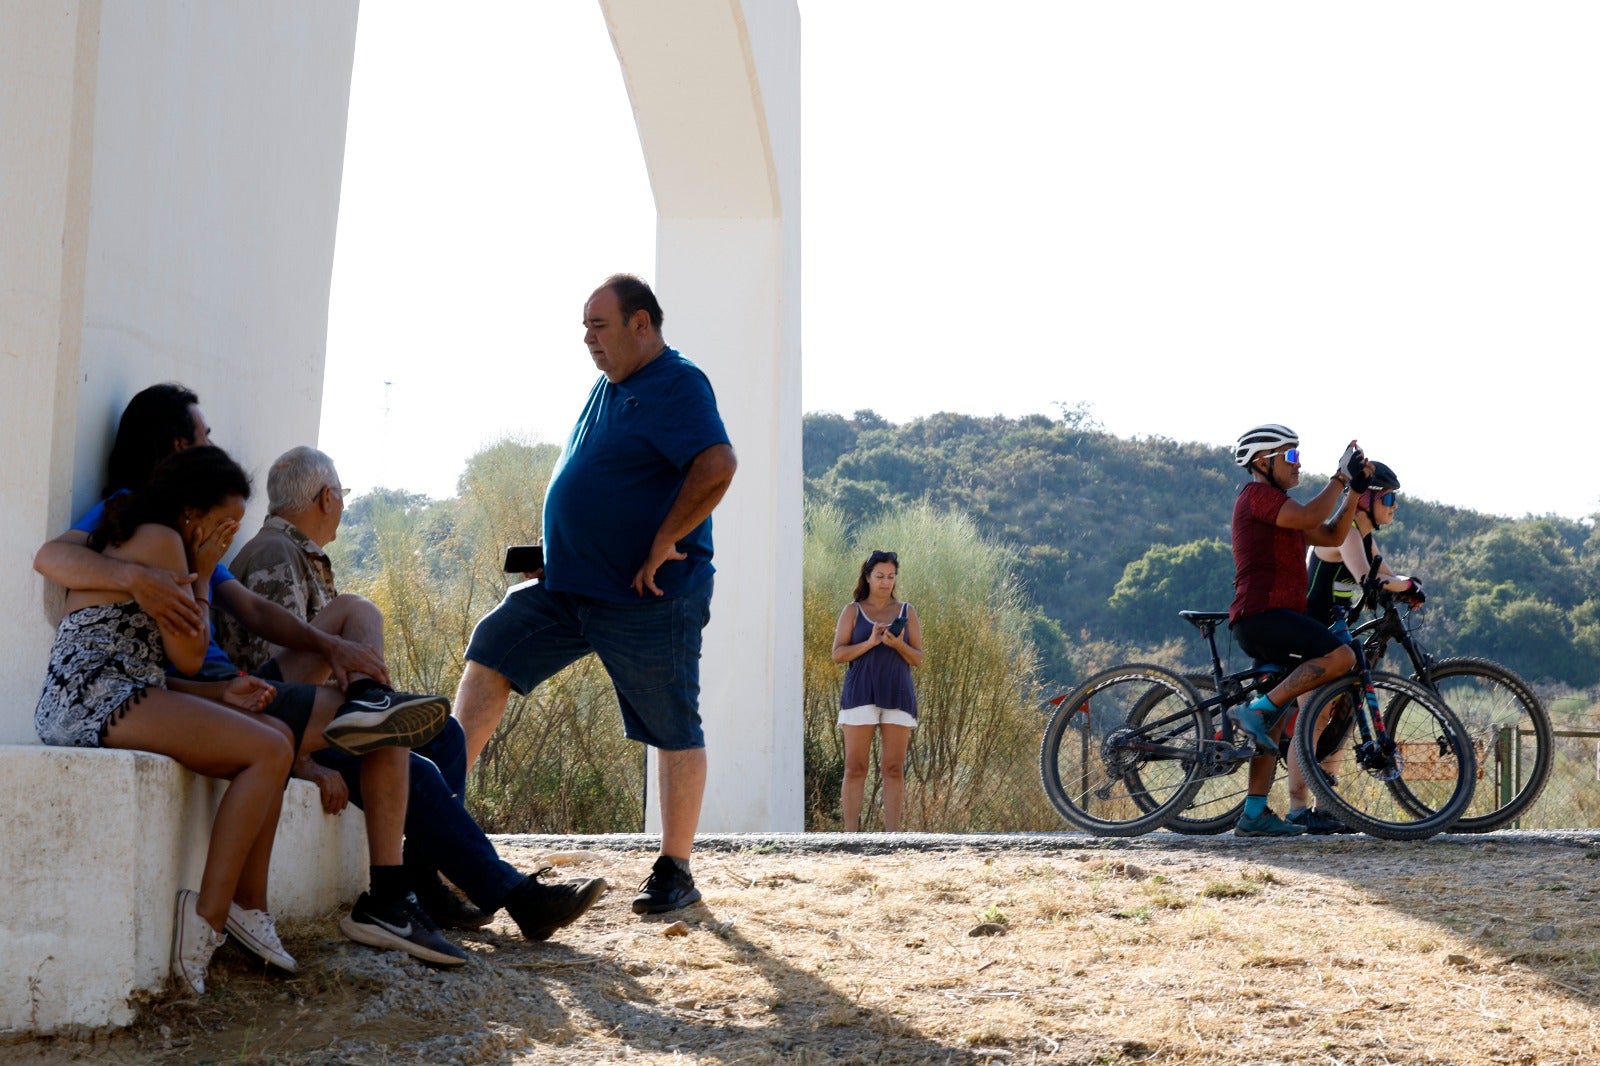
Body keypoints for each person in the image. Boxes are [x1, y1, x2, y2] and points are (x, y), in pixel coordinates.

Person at [32, 384, 466, 967]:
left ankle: (366, 711)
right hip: (104, 693)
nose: (229, 534)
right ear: (181, 456)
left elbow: (237, 623)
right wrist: (160, 576)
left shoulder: (169, 532)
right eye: (206, 436)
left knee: (334, 702)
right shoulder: (152, 527)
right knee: (312, 746)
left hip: (156, 685)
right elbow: (56, 560)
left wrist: (328, 645)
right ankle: (220, 917)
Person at [221, 445, 606, 939]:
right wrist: (305, 762)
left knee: (444, 734)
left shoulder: (297, 553)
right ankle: (518, 898)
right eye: (342, 496)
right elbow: (273, 678)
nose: (343, 505)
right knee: (414, 767)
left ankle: (426, 885)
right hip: (284, 726)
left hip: (313, 717)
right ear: (326, 497)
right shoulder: (276, 554)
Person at [452, 274, 737, 916]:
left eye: (599, 326)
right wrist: (560, 551)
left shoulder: (676, 383)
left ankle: (675, 869)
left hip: (647, 596)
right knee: (494, 644)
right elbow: (599, 483)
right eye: (584, 327)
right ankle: (443, 811)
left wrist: (667, 537)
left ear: (642, 324)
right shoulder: (608, 387)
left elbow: (717, 464)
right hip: (570, 586)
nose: (587, 339)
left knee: (672, 721)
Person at [35, 447, 293, 995]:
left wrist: (221, 692)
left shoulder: (141, 531)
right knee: (267, 751)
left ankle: (250, 906)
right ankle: (207, 919)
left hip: (113, 687)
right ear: (190, 513)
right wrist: (201, 576)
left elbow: (147, 658)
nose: (228, 539)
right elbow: (191, 654)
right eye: (224, 525)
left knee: (279, 735)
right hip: (93, 698)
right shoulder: (165, 542)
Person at [1225, 424, 1371, 837]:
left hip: (1276, 618)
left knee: (1275, 720)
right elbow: (1312, 515)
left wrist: (1355, 492)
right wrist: (1340, 478)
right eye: (1290, 456)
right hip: (1263, 615)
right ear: (1262, 462)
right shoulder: (1258, 497)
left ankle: (1254, 814)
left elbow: (1330, 533)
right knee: (1343, 657)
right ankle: (1253, 710)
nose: (1298, 463)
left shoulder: (1280, 507)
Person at [1287, 460, 1425, 832]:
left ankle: (1325, 806)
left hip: (1336, 636)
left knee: (1344, 716)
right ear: (1365, 501)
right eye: (1389, 497)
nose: (1394, 505)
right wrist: (1406, 584)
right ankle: (1298, 809)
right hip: (1311, 633)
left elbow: (1383, 574)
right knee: (1313, 718)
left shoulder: (1363, 535)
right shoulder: (1345, 531)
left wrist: (1406, 585)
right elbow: (1368, 577)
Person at [831, 550, 924, 831]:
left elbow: (917, 658)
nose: (886, 582)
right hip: (860, 694)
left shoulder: (907, 612)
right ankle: (850, 837)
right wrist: (871, 642)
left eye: (891, 577)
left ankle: (893, 837)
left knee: (893, 769)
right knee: (855, 768)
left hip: (898, 694)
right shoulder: (852, 611)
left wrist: (897, 644)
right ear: (868, 577)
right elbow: (838, 654)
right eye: (880, 576)